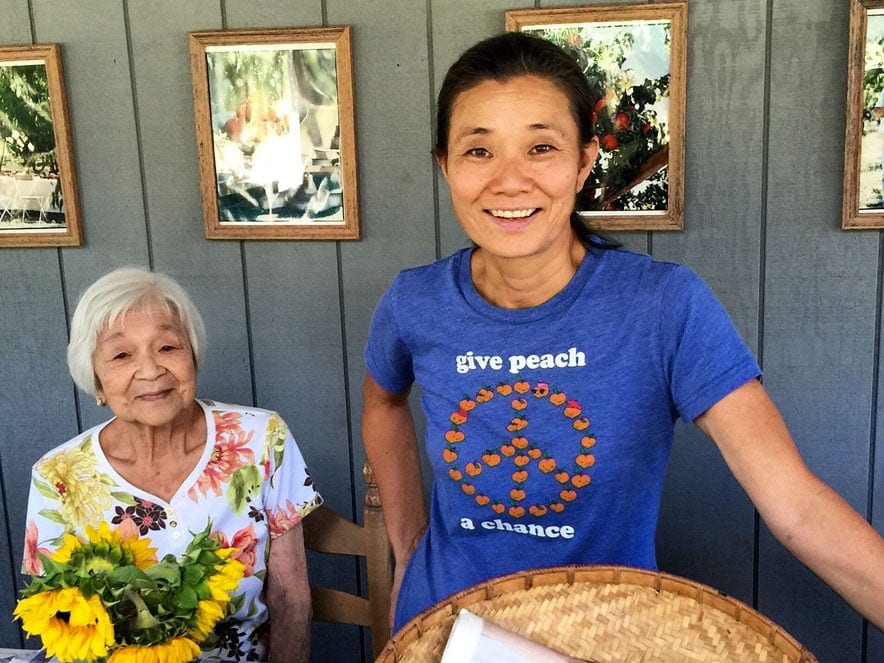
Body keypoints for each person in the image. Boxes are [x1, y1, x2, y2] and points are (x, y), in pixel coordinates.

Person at [362, 32, 884, 633]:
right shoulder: (415, 301)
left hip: (608, 635)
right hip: (445, 625)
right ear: (445, 165)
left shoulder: (662, 305)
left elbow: (796, 505)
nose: (509, 181)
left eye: (541, 147)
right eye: (479, 152)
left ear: (584, 162)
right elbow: (383, 402)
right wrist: (408, 547)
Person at [21, 266, 321, 662]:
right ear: (96, 381)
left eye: (167, 347)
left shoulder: (261, 439)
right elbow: (59, 621)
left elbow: (291, 600)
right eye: (122, 355)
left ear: (192, 355)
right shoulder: (57, 475)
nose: (150, 370)